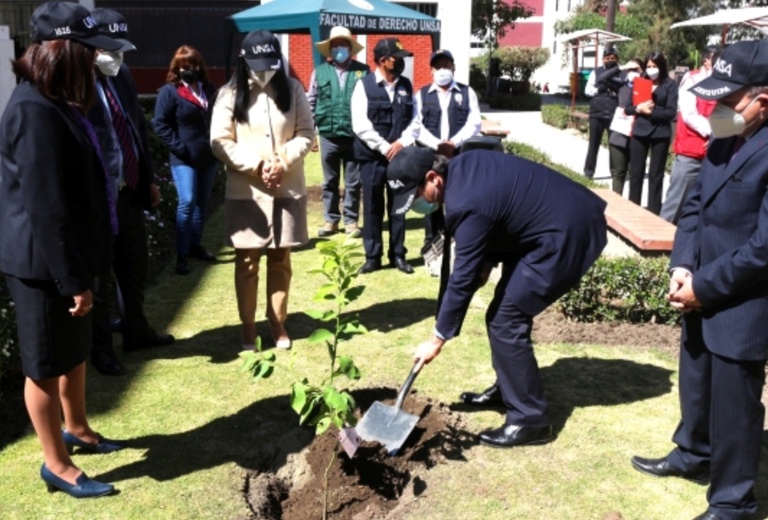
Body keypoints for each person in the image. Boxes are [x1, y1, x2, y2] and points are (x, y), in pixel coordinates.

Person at [386, 147, 607, 447]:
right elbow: (500, 209)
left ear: (433, 178)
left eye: (415, 195)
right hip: (547, 225)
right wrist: (487, 261)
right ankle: (509, 389)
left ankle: (531, 421)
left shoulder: (466, 203)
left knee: (506, 318)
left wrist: (436, 339)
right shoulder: (462, 167)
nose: (416, 205)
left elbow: (462, 277)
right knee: (501, 314)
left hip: (565, 233)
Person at [630, 40, 768, 520]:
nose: (715, 110)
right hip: (699, 289)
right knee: (697, 382)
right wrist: (681, 266)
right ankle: (693, 451)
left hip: (743, 301)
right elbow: (693, 208)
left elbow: (764, 249)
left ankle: (734, 501)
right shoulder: (725, 136)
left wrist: (703, 287)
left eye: (727, 100)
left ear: (761, 102)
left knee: (735, 404)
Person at [0, 1, 126, 498]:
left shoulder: (58, 103)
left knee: (73, 355)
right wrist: (72, 280)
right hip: (42, 265)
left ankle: (79, 429)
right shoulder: (33, 111)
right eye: (87, 52)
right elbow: (45, 207)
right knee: (46, 365)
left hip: (67, 257)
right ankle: (57, 463)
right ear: (61, 52)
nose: (94, 61)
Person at [210, 30, 314, 351]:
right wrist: (257, 165)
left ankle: (277, 321)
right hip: (247, 193)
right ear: (244, 62)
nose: (265, 71)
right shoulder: (229, 95)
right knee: (247, 263)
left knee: (281, 259)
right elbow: (220, 141)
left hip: (286, 188)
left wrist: (281, 161)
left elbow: (306, 133)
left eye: (270, 64)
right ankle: (248, 326)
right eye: (258, 65)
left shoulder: (293, 89)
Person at [86, 7, 174, 377]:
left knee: (134, 265)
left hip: (129, 190)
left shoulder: (120, 74)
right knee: (99, 277)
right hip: (98, 196)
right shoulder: (76, 82)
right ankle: (101, 349)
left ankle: (136, 331)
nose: (118, 57)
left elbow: (135, 124)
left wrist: (149, 178)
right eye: (111, 49)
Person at [351, 37, 417, 275]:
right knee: (372, 206)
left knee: (399, 207)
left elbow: (415, 121)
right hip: (372, 157)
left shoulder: (406, 85)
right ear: (382, 61)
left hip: (399, 156)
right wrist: (383, 146)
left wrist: (401, 142)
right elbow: (360, 124)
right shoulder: (364, 85)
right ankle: (373, 256)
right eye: (396, 58)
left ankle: (398, 254)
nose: (401, 62)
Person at [153, 45, 220, 275]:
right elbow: (160, 124)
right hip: (184, 158)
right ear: (176, 68)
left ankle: (195, 246)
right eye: (183, 67)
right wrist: (180, 147)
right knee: (187, 202)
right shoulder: (169, 92)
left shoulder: (209, 89)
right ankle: (181, 255)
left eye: (191, 66)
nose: (187, 70)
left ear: (199, 66)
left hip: (208, 156)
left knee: (201, 203)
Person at [412, 48, 482, 251]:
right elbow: (416, 125)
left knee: (458, 197)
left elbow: (474, 123)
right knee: (431, 196)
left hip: (459, 154)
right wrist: (437, 145)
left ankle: (457, 240)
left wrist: (453, 143)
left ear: (454, 67)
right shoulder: (422, 94)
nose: (443, 69)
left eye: (446, 65)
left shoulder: (467, 93)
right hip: (430, 154)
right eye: (438, 66)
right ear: (431, 70)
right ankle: (431, 240)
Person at [306, 26, 368, 239]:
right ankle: (330, 219)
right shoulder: (319, 71)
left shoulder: (363, 71)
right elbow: (311, 102)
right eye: (335, 45)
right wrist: (311, 133)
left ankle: (351, 221)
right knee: (329, 181)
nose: (339, 48)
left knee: (353, 182)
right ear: (330, 49)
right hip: (328, 135)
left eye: (343, 44)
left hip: (355, 136)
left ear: (350, 48)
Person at [659, 47, 718, 224]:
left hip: (714, 154)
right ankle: (659, 239)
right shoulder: (692, 80)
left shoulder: (723, 84)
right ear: (707, 61)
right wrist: (714, 133)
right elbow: (689, 114)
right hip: (690, 152)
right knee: (676, 202)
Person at [625, 51, 678, 215]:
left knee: (656, 175)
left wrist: (651, 112)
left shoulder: (670, 85)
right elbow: (628, 108)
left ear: (661, 67)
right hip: (640, 132)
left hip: (660, 133)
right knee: (636, 173)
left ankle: (654, 211)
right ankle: (633, 209)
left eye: (654, 66)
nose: (651, 69)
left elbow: (671, 112)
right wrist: (638, 108)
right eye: (648, 66)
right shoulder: (640, 83)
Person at [602, 58, 644, 194]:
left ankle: (633, 206)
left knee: (635, 174)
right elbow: (602, 78)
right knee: (618, 173)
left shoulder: (646, 87)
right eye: (631, 70)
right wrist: (622, 67)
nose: (633, 72)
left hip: (637, 136)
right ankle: (617, 203)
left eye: (636, 69)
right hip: (619, 134)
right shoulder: (621, 86)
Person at [583, 47, 620, 180]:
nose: (610, 60)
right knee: (593, 144)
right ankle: (588, 172)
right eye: (607, 58)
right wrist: (599, 91)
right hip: (596, 113)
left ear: (617, 59)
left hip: (614, 113)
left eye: (612, 58)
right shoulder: (596, 72)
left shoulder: (622, 72)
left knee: (614, 145)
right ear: (603, 59)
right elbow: (587, 90)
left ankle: (615, 171)